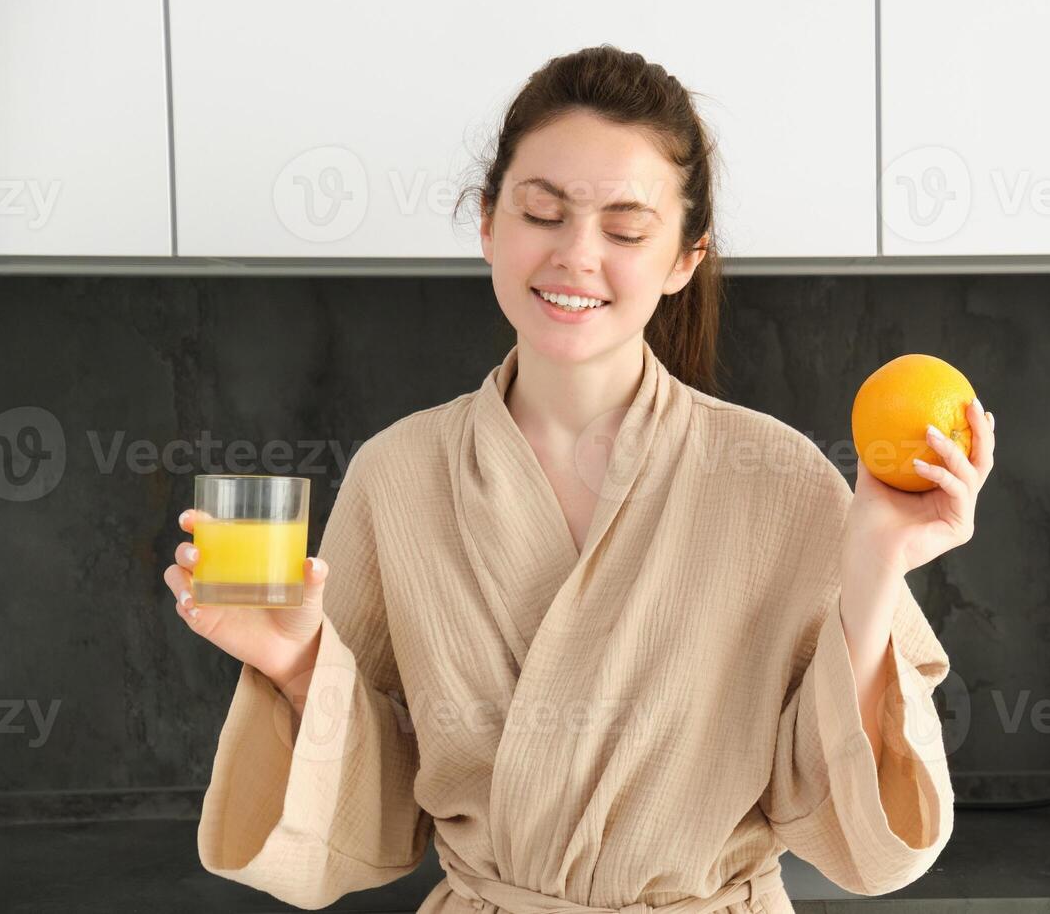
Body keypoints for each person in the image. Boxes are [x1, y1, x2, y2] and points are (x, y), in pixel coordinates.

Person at [160, 45, 995, 913]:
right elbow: (372, 818)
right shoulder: (397, 476)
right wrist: (298, 661)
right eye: (541, 212)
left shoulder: (779, 479)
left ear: (683, 259)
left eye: (627, 230)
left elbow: (849, 831)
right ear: (487, 223)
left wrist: (873, 568)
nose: (576, 257)